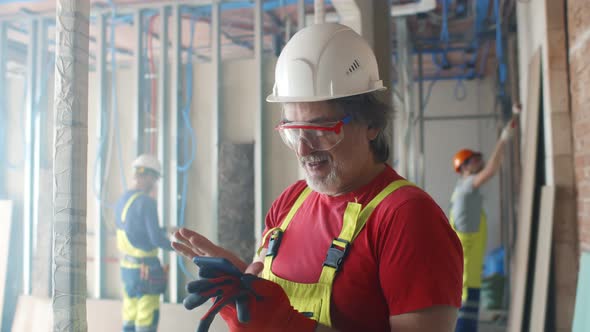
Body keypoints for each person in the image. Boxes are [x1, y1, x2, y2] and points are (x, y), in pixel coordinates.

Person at [172, 23, 463, 332]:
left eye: (321, 129)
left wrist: (286, 326)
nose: (303, 147)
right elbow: (273, 308)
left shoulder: (407, 218)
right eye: (292, 130)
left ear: (372, 125)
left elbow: (282, 320)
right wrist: (243, 288)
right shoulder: (291, 202)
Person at [450, 105, 520, 332]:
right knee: (465, 327)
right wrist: (504, 138)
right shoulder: (468, 189)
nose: (478, 163)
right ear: (464, 168)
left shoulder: (462, 192)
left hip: (467, 277)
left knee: (468, 326)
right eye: (473, 161)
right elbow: (490, 171)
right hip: (467, 281)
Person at [115, 154, 173, 332]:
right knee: (147, 317)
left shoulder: (123, 200)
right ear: (147, 175)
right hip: (146, 271)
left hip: (128, 270)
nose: (154, 183)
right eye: (154, 178)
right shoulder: (147, 202)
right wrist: (179, 247)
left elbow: (136, 231)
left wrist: (164, 229)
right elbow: (154, 238)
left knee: (130, 316)